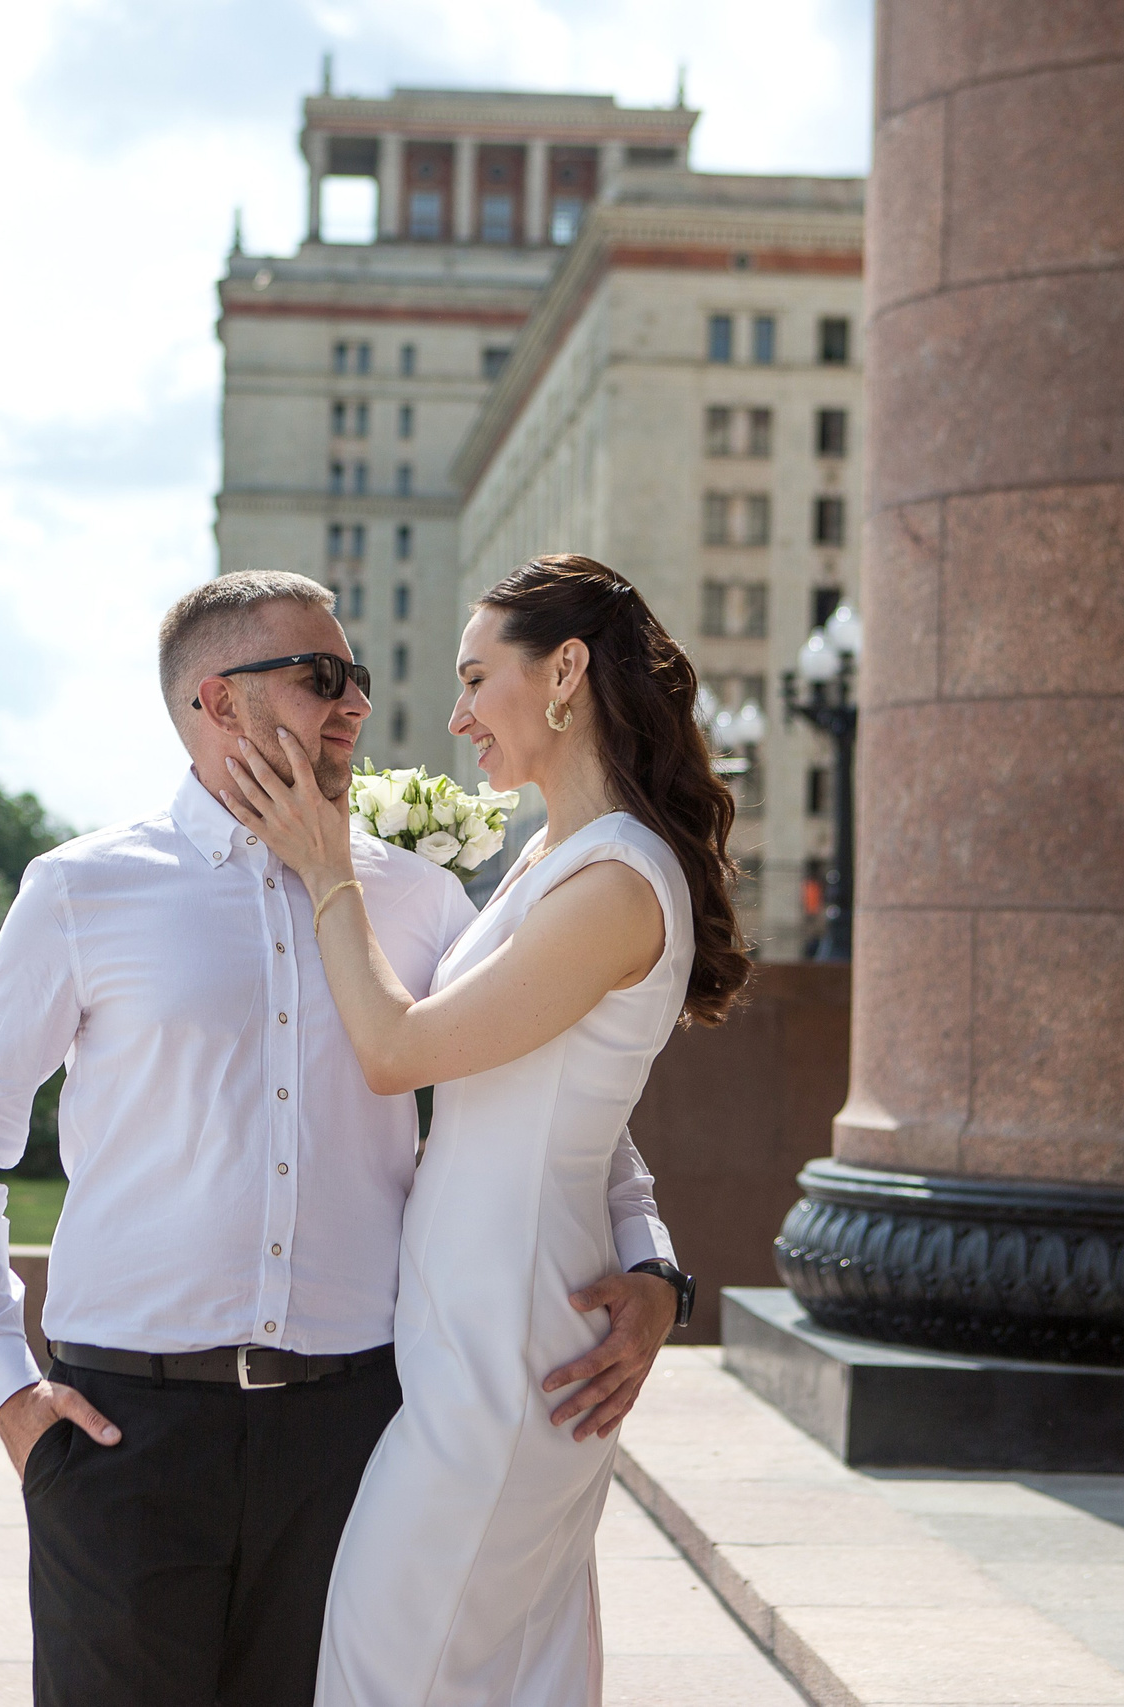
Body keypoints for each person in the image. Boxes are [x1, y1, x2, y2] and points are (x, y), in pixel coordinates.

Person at [0, 569, 691, 1707]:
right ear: (216, 704)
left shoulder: (418, 902)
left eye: (357, 679)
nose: (356, 706)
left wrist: (655, 1262)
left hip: (352, 1436)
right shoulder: (84, 891)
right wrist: (5, 1390)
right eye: (321, 677)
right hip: (127, 1439)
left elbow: (543, 1087)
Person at [219, 553, 748, 1707]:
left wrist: (325, 872)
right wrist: (655, 1265)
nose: (454, 716)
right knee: (505, 1675)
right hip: (476, 1324)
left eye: (474, 679)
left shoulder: (614, 882)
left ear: (565, 673)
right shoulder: (556, 857)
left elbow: (396, 1053)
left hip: (510, 1347)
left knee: (380, 1667)